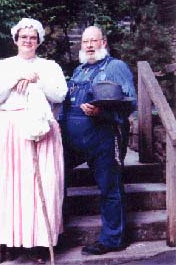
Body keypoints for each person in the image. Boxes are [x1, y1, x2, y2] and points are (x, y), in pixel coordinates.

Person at [0, 18, 68, 261]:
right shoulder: (3, 66)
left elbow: (60, 93)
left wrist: (35, 79)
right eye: (23, 37)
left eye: (32, 37)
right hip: (11, 130)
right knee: (13, 185)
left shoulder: (50, 66)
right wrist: (16, 78)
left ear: (39, 41)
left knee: (46, 182)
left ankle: (42, 243)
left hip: (44, 130)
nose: (28, 41)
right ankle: (12, 241)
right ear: (16, 40)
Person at [59, 25, 137, 255]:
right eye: (85, 42)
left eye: (94, 40)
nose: (90, 45)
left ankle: (113, 239)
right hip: (74, 141)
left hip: (104, 137)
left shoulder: (116, 67)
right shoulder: (78, 71)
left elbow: (130, 101)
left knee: (109, 188)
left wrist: (101, 112)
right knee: (55, 179)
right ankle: (57, 232)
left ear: (104, 42)